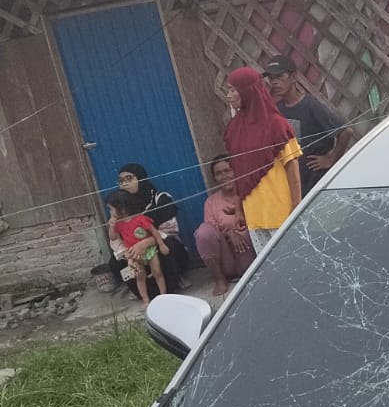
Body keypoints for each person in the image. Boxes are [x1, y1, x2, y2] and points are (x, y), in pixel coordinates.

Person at [223, 67, 302, 252]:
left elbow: (292, 166)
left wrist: (298, 208)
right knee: (269, 271)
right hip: (254, 216)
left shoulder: (277, 125)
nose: (229, 95)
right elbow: (239, 172)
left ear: (247, 91)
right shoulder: (234, 128)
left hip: (282, 213)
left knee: (291, 266)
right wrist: (239, 208)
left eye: (232, 90)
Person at [262, 52, 354, 198]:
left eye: (280, 77)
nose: (274, 82)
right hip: (294, 181)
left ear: (293, 77)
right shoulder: (277, 109)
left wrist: (331, 158)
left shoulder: (310, 106)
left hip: (316, 181)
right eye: (271, 79)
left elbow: (345, 132)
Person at [116, 164, 189, 290]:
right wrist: (129, 253)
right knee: (116, 260)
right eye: (121, 180)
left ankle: (175, 280)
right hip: (137, 254)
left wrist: (145, 243)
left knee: (169, 247)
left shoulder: (160, 199)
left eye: (129, 178)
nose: (124, 184)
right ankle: (145, 293)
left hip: (161, 246)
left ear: (140, 178)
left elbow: (170, 231)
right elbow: (116, 239)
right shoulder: (120, 209)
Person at [195, 156, 254, 297]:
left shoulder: (250, 194)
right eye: (218, 173)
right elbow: (211, 231)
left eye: (228, 170)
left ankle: (250, 273)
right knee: (203, 232)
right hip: (226, 258)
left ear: (236, 171)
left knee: (246, 232)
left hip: (249, 255)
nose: (224, 176)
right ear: (214, 178)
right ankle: (219, 279)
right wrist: (230, 234)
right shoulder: (211, 202)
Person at [107, 191, 170, 307]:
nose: (110, 213)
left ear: (122, 208)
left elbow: (154, 232)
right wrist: (111, 226)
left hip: (150, 250)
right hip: (134, 254)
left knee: (157, 272)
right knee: (140, 276)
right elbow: (113, 237)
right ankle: (145, 300)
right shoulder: (118, 224)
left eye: (111, 209)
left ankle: (163, 295)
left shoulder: (140, 219)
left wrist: (161, 245)